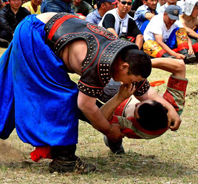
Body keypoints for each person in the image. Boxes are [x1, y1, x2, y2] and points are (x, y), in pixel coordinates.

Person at [0, 12, 181, 173]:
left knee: (7, 85)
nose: (131, 85)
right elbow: (85, 106)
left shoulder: (123, 54)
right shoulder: (100, 64)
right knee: (63, 98)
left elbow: (145, 90)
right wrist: (109, 130)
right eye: (132, 79)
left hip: (44, 27)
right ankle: (64, 159)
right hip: (35, 34)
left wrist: (168, 109)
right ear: (125, 67)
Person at [101, 58, 188, 154]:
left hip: (114, 97)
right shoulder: (173, 108)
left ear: (135, 119)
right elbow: (180, 66)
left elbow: (99, 120)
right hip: (129, 91)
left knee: (113, 132)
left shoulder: (132, 127)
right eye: (144, 101)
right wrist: (140, 64)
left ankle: (114, 144)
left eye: (136, 107)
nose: (137, 102)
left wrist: (119, 98)